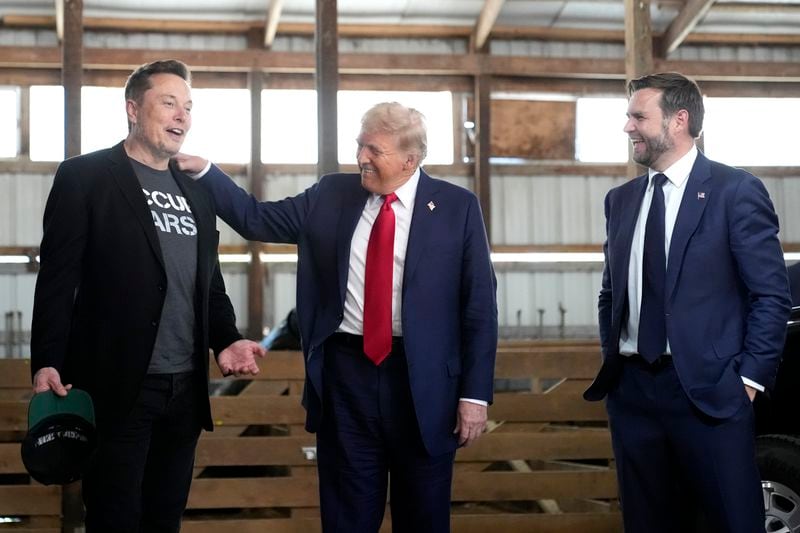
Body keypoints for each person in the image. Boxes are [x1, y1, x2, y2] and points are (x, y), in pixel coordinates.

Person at [176, 102, 498, 533]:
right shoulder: (331, 194)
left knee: (423, 516)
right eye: (359, 145)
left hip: (425, 386)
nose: (361, 157)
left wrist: (475, 396)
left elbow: (479, 306)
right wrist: (206, 171)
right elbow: (256, 219)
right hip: (346, 378)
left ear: (410, 159)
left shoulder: (457, 207)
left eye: (373, 149)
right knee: (347, 516)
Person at [29, 59, 266, 532]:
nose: (182, 115)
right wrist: (47, 360)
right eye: (169, 102)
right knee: (115, 518)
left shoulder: (195, 191)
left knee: (164, 518)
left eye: (189, 106)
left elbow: (208, 281)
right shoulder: (86, 176)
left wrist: (227, 338)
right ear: (133, 109)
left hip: (184, 387)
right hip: (118, 384)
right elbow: (58, 277)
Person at [584, 72, 791, 532]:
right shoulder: (620, 201)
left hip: (711, 393)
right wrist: (613, 363)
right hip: (634, 393)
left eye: (638, 116)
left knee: (733, 521)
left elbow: (771, 295)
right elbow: (610, 293)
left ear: (679, 120)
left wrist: (749, 381)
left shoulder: (735, 192)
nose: (627, 127)